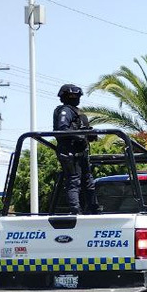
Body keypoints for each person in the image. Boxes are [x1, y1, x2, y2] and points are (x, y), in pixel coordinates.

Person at [53, 84, 101, 215]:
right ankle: (75, 210)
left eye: (76, 96)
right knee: (74, 181)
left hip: (81, 152)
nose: (75, 98)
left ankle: (93, 208)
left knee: (88, 181)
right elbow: (62, 129)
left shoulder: (78, 112)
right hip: (70, 152)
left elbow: (83, 129)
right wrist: (80, 136)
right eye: (72, 96)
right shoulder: (65, 111)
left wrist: (90, 135)